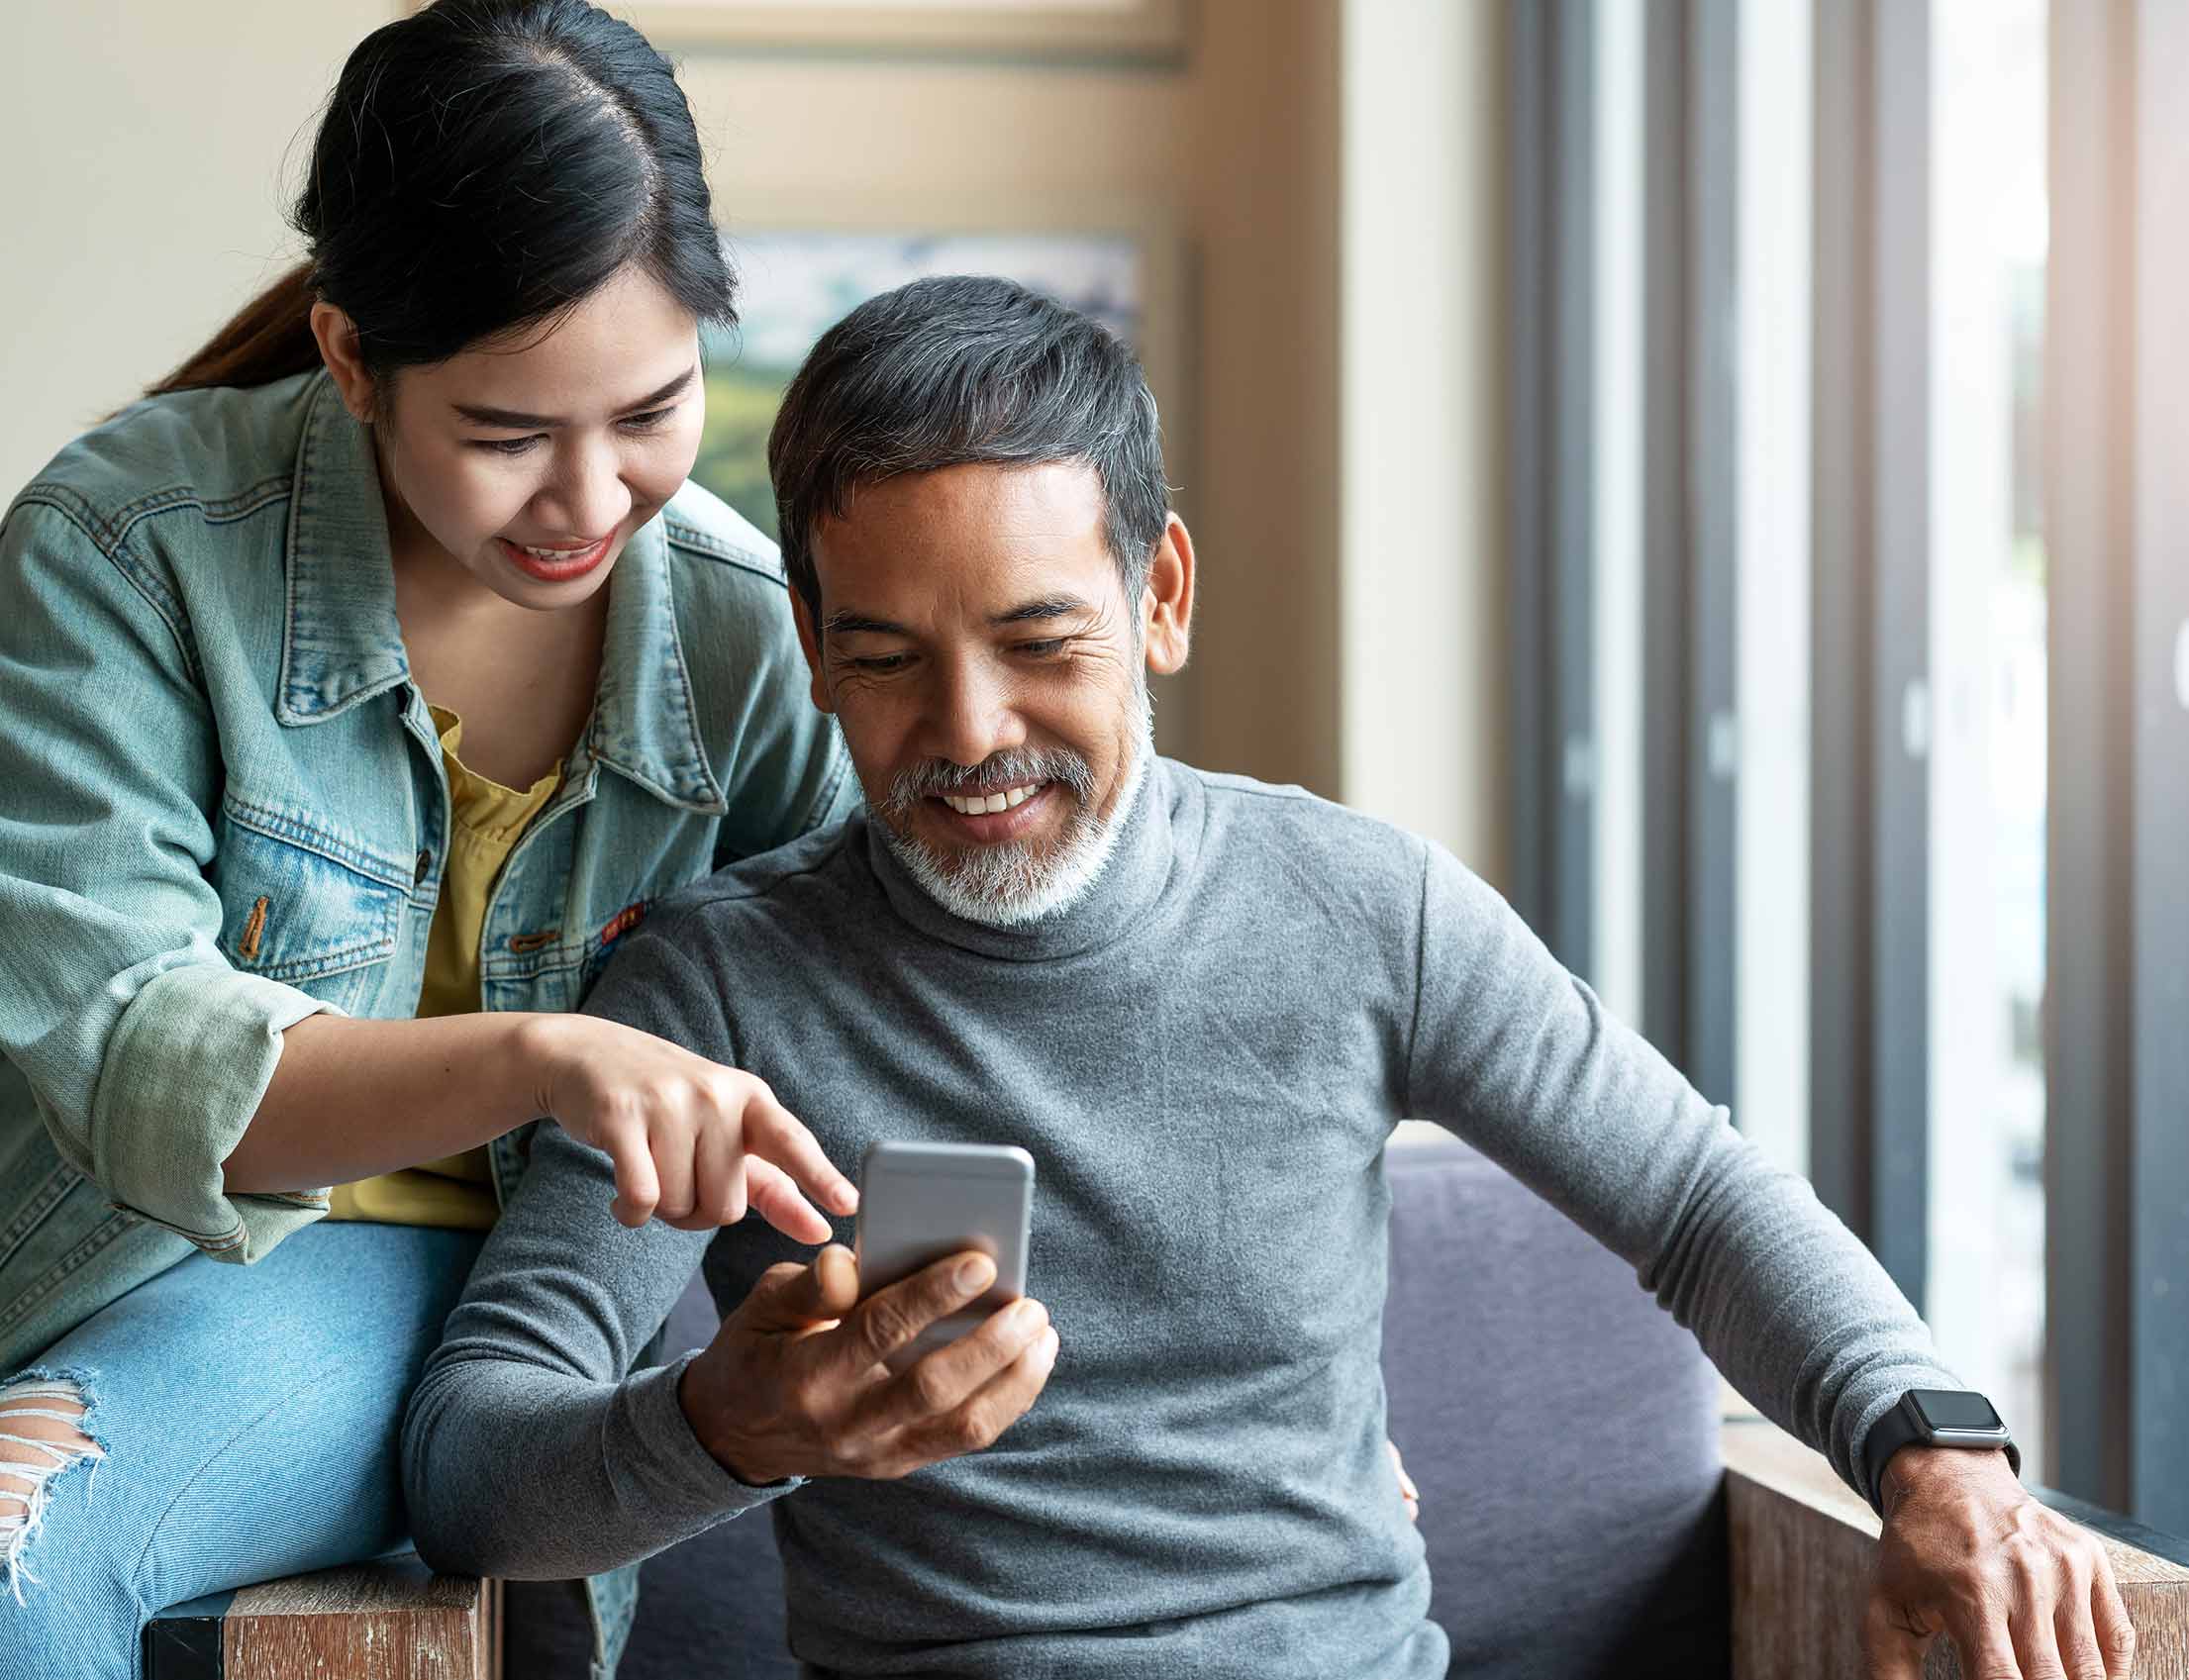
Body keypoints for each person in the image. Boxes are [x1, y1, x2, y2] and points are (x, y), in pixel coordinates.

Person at [404, 275, 2138, 1680]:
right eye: (887, 660)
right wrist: (733, 1421)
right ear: (811, 652)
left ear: (1159, 596)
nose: (970, 734)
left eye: (1038, 642)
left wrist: (1935, 1449)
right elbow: (473, 1466)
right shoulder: (714, 992)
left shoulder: (1356, 903)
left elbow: (1690, 1194)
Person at [0, 4, 864, 1675]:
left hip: (506, 1309)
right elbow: (134, 1058)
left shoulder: (744, 633)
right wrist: (547, 1057)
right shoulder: (127, 548)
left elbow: (904, 1031)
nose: (594, 501)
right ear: (348, 358)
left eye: (653, 411)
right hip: (151, 1252)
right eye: (507, 433)